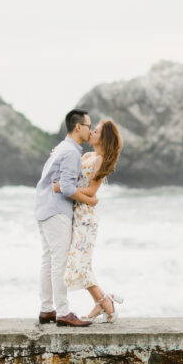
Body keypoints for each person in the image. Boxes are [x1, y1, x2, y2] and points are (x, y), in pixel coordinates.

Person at [54, 119, 124, 322]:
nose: (91, 132)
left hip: (86, 218)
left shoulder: (100, 160)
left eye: (97, 131)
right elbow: (71, 176)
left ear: (104, 138)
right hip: (75, 214)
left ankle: (106, 304)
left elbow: (92, 191)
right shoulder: (87, 155)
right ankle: (103, 302)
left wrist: (63, 189)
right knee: (80, 265)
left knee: (78, 267)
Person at [35, 109, 99, 327]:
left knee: (48, 260)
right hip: (57, 211)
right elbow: (68, 188)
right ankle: (63, 312)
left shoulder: (63, 148)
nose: (90, 130)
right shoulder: (70, 152)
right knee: (59, 262)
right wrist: (90, 200)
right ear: (78, 127)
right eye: (89, 126)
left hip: (43, 208)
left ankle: (47, 310)